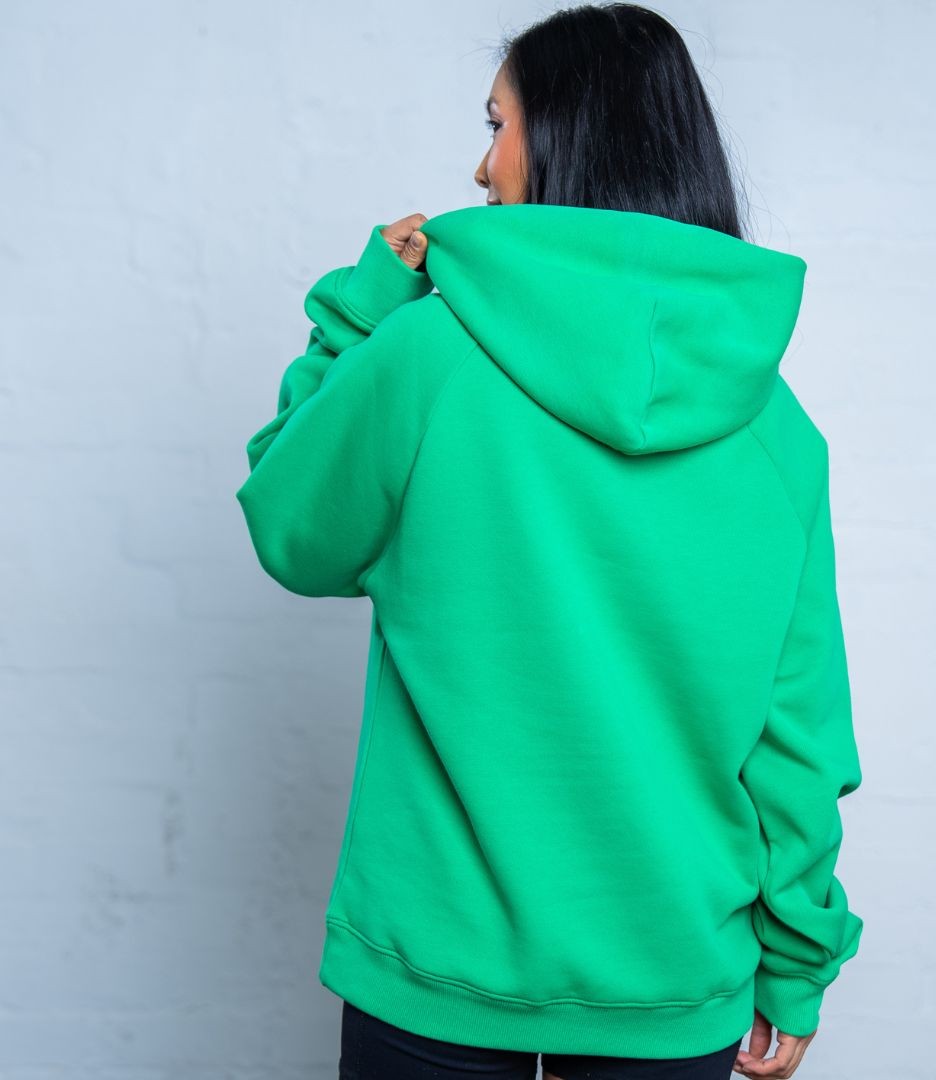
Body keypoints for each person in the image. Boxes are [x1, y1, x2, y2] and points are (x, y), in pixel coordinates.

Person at [235, 4, 864, 1078]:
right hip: (672, 970)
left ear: (569, 135)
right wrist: (798, 960)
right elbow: (796, 733)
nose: (482, 168)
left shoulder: (426, 356)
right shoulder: (775, 430)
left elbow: (294, 532)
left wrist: (357, 316)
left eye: (498, 125)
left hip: (439, 959)